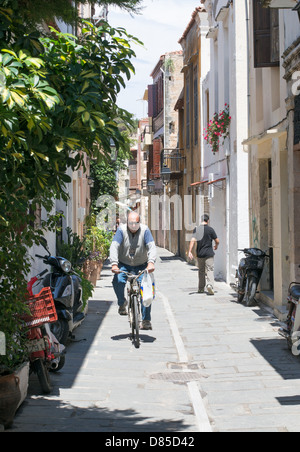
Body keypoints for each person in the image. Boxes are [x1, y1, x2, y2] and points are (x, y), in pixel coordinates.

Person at [109, 211, 156, 330]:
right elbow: (114, 246)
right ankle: (122, 303)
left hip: (142, 265)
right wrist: (114, 264)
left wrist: (151, 262)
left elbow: (151, 246)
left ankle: (146, 320)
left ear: (139, 222)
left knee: (146, 290)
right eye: (131, 223)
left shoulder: (145, 230)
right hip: (124, 264)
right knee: (118, 281)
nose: (133, 226)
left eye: (136, 223)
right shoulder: (121, 230)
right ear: (127, 223)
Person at [188, 214, 220, 295]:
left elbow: (192, 240)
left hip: (200, 254)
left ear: (201, 220)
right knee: (209, 269)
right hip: (209, 253)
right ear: (208, 220)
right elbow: (217, 240)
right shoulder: (210, 229)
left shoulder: (197, 229)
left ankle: (201, 288)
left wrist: (189, 251)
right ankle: (209, 285)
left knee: (201, 271)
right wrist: (216, 245)